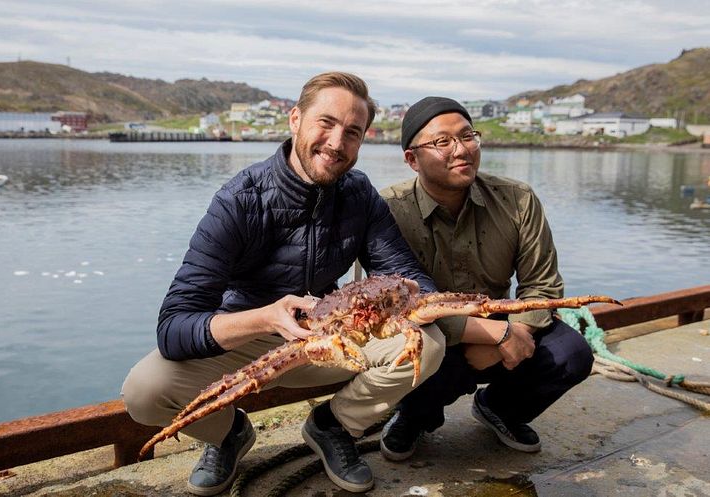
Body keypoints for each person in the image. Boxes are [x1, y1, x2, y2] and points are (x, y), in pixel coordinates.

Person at [121, 73, 445, 496]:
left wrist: (405, 298)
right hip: (247, 340)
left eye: (352, 132)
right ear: (295, 119)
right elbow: (174, 326)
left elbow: (407, 274)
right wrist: (264, 318)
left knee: (428, 343)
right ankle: (227, 435)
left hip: (327, 339)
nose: (336, 142)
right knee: (144, 391)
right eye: (325, 123)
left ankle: (333, 425)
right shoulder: (239, 200)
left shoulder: (359, 194)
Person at [379, 97, 594, 460]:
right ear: (412, 159)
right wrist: (488, 336)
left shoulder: (517, 200)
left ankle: (500, 407)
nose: (461, 150)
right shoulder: (388, 211)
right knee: (417, 355)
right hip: (430, 330)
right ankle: (413, 418)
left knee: (570, 354)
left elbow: (542, 284)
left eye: (468, 136)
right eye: (442, 142)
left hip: (499, 315)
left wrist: (517, 332)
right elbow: (389, 308)